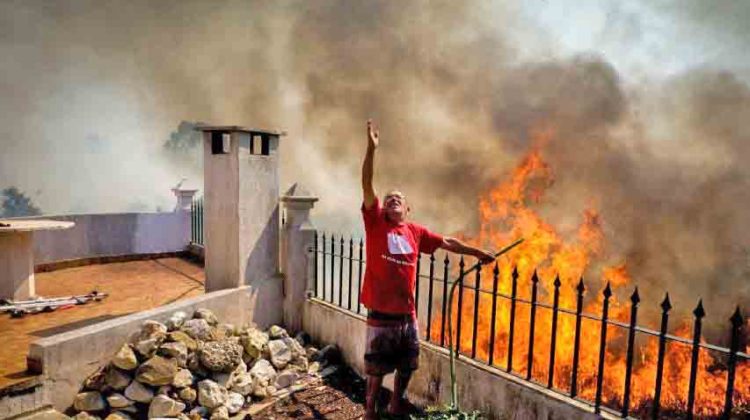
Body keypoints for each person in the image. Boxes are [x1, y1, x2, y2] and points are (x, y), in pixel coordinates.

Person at [361, 119, 495, 418]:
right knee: (376, 368)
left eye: (399, 199)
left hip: (406, 313)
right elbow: (367, 183)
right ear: (382, 208)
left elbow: (447, 241)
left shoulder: (415, 231)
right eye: (388, 198)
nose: (392, 199)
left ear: (408, 210)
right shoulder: (375, 223)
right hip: (380, 312)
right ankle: (370, 409)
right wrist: (371, 150)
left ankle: (396, 403)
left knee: (407, 363)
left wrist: (478, 253)